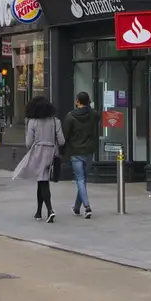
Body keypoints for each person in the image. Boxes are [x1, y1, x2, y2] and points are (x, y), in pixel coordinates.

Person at [12, 96, 64, 223]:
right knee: (42, 181)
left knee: (42, 181)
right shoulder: (55, 121)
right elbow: (61, 141)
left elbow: (28, 143)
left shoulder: (32, 122)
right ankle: (39, 212)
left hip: (38, 153)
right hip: (51, 153)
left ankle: (50, 210)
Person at [63, 91, 99, 219]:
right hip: (88, 151)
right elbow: (97, 118)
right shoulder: (93, 114)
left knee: (80, 179)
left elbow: (65, 135)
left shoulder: (70, 116)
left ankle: (87, 207)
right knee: (82, 180)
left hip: (75, 152)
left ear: (77, 101)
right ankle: (76, 207)